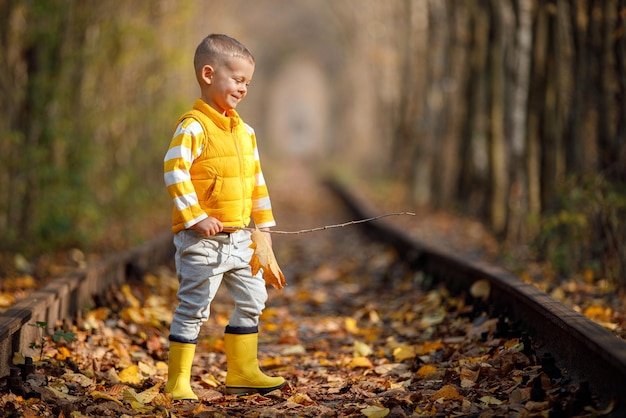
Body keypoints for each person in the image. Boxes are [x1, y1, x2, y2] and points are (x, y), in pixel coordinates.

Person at [163, 34, 285, 401]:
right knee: (194, 307)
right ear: (208, 74)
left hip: (240, 240)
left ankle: (243, 372)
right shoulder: (193, 126)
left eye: (248, 82)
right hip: (202, 241)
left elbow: (256, 184)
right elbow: (174, 170)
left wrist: (262, 230)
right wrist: (196, 217)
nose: (244, 88)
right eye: (237, 79)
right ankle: (178, 381)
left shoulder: (245, 132)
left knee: (254, 298)